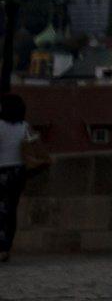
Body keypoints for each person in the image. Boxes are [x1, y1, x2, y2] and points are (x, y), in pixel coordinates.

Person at [0, 93, 35, 265]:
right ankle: (5, 248)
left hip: (2, 171)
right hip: (18, 172)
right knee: (10, 211)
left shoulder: (0, 126)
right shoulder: (24, 126)